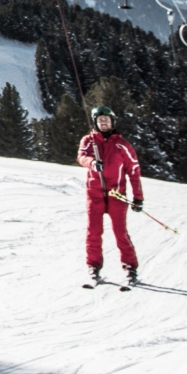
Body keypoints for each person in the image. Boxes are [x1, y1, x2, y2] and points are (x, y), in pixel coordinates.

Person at [79, 105, 144, 287]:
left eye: (106, 120)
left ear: (112, 122)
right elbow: (81, 156)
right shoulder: (89, 141)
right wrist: (92, 163)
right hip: (95, 194)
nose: (104, 123)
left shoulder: (122, 145)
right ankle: (93, 268)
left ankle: (130, 268)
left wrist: (138, 197)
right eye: (100, 121)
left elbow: (134, 171)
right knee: (93, 232)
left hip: (117, 195)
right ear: (96, 123)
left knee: (120, 232)